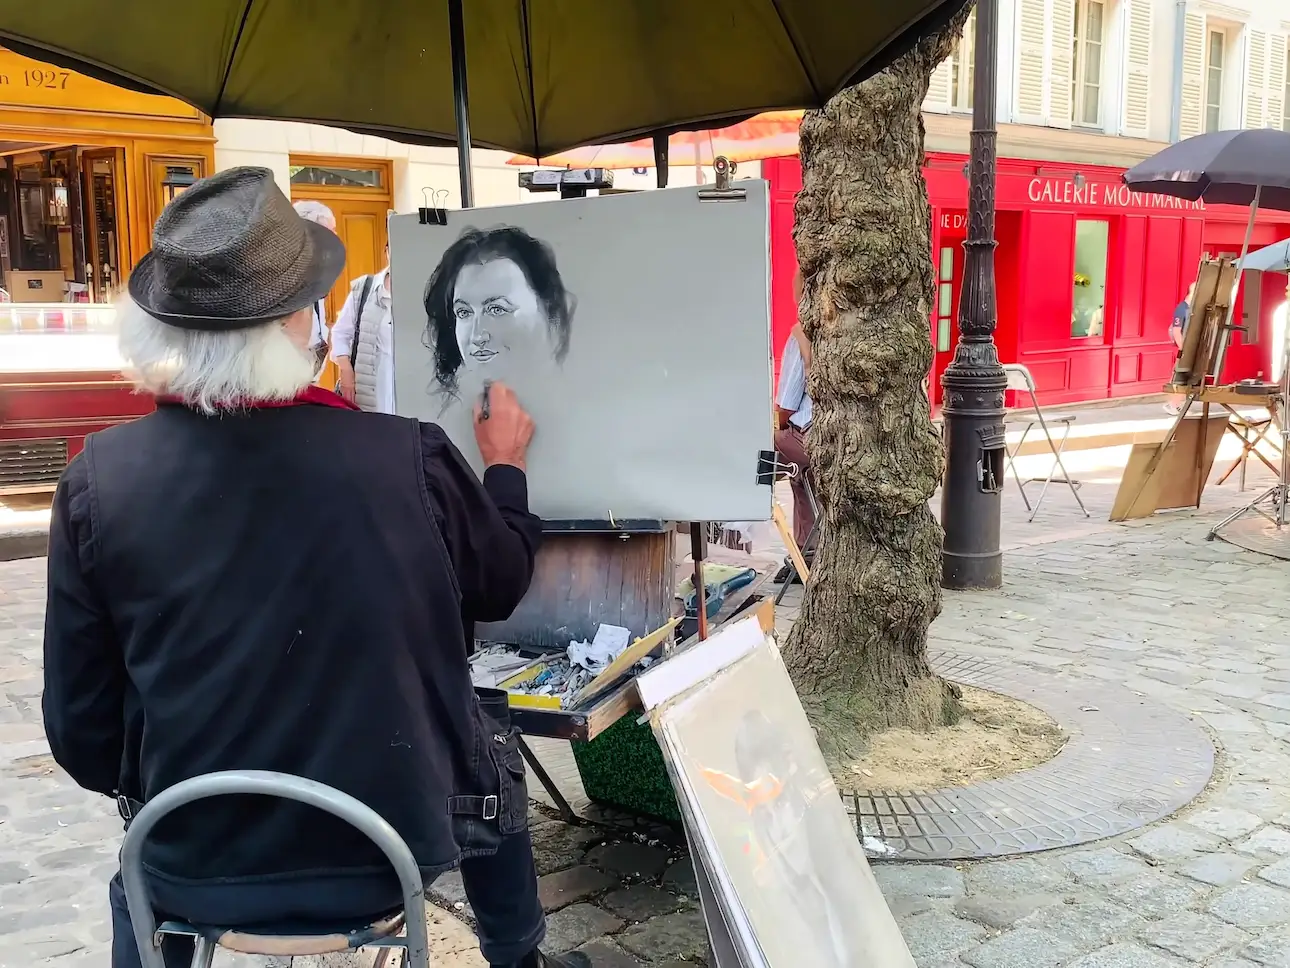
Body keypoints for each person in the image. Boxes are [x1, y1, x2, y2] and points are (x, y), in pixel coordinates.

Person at [41, 167, 591, 968]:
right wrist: (503, 468)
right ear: (301, 319)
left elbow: (80, 731)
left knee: (137, 882)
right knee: (487, 741)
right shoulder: (407, 455)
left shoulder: (99, 479)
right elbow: (501, 582)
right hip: (389, 853)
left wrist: (180, 767)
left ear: (160, 330)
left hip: (192, 859)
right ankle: (519, 958)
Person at [423, 225, 575, 404]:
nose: (477, 336)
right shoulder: (449, 418)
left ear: (549, 312)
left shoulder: (577, 407)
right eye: (464, 312)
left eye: (497, 310)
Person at [773, 268, 815, 584]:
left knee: (764, 445)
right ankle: (805, 548)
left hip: (810, 441)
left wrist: (777, 425)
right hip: (841, 440)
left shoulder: (801, 336)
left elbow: (786, 404)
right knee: (798, 472)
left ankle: (731, 528)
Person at [332, 241, 395, 413]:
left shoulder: (425, 292)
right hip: (369, 386)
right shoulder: (364, 288)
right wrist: (346, 371)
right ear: (387, 251)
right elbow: (340, 333)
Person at [292, 199, 338, 370]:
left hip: (312, 366)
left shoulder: (319, 268)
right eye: (331, 231)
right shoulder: (288, 270)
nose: (336, 237)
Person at [1166, 283, 1196, 415]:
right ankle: (1173, 405)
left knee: (1185, 378)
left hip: (1188, 348)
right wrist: (1183, 349)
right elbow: (1177, 331)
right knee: (1180, 378)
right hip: (1184, 349)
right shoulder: (1182, 309)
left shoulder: (1191, 308)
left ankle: (1176, 405)